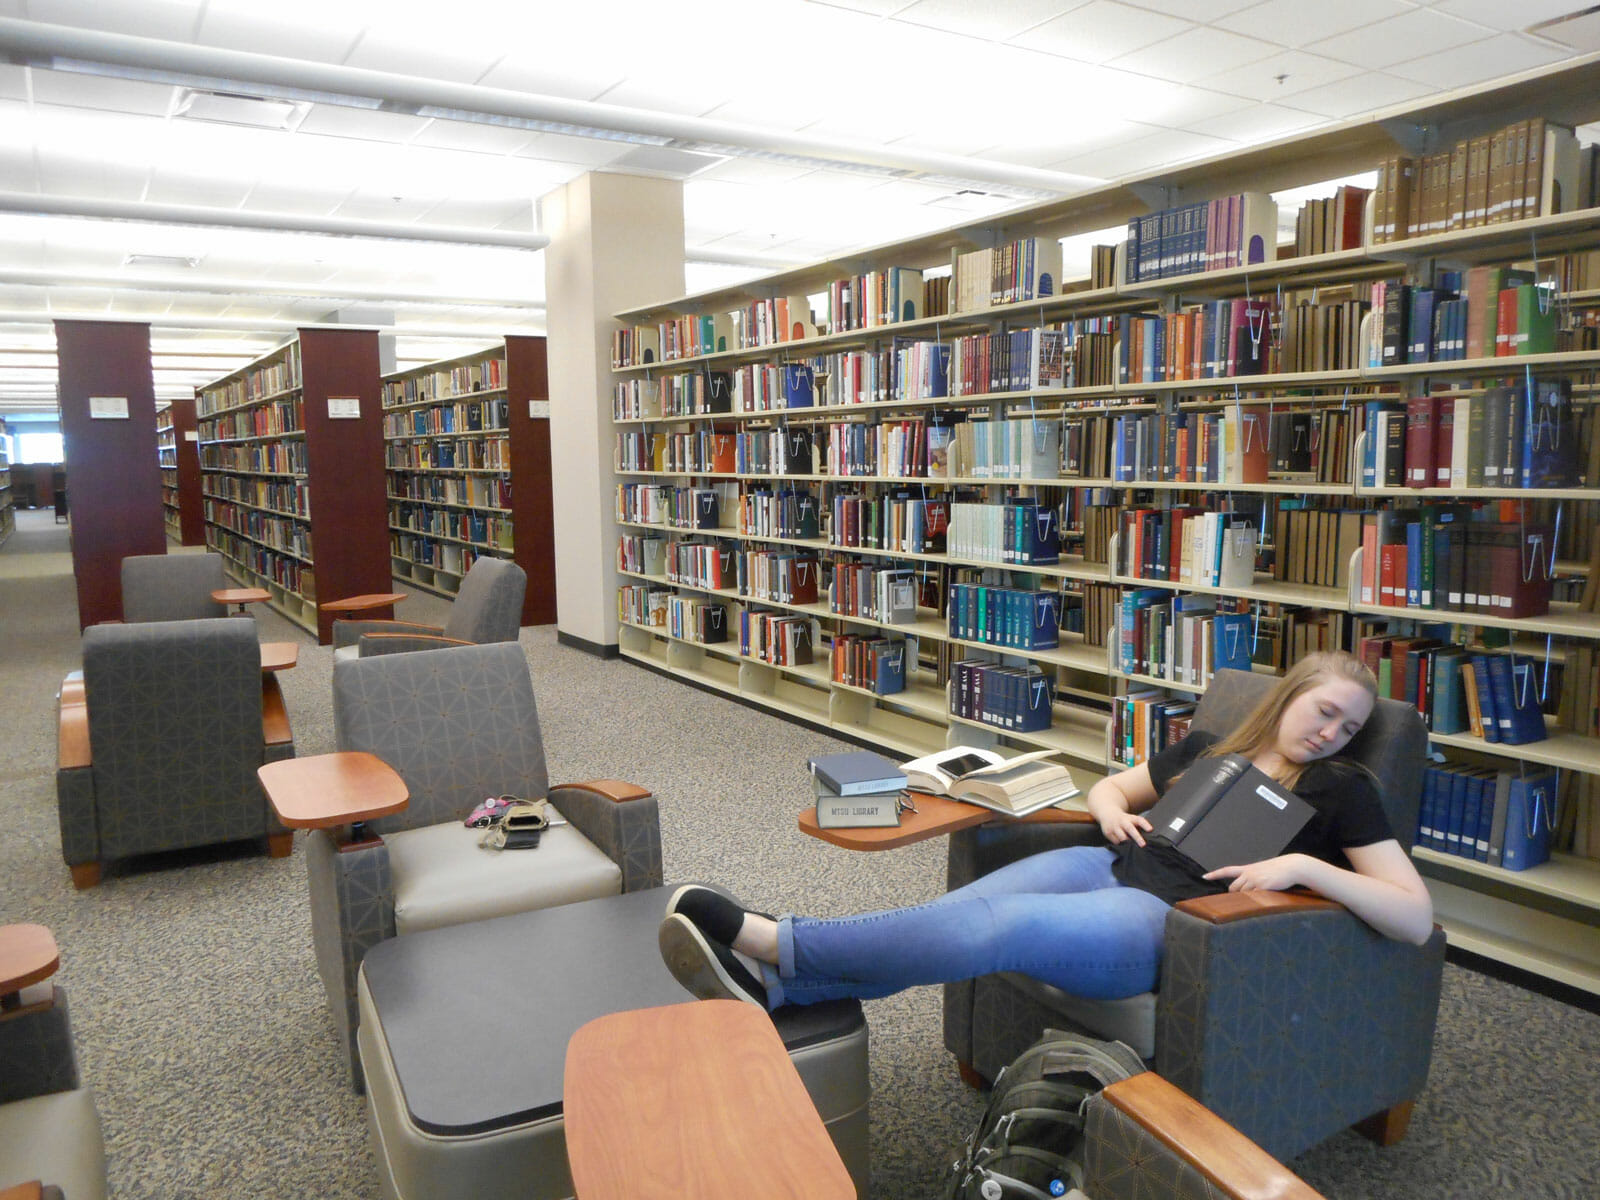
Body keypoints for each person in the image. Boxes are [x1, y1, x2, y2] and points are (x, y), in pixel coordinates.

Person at [659, 650, 1434, 1011]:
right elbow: (1110, 786)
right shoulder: (1210, 750)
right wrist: (1110, 812)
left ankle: (773, 941)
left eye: (1350, 725)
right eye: (1324, 710)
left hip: (1173, 920)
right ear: (1291, 697)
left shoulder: (1341, 790)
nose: (1333, 732)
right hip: (1108, 865)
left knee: (1001, 926)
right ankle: (780, 991)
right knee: (955, 916)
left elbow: (1414, 915)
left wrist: (1306, 872)